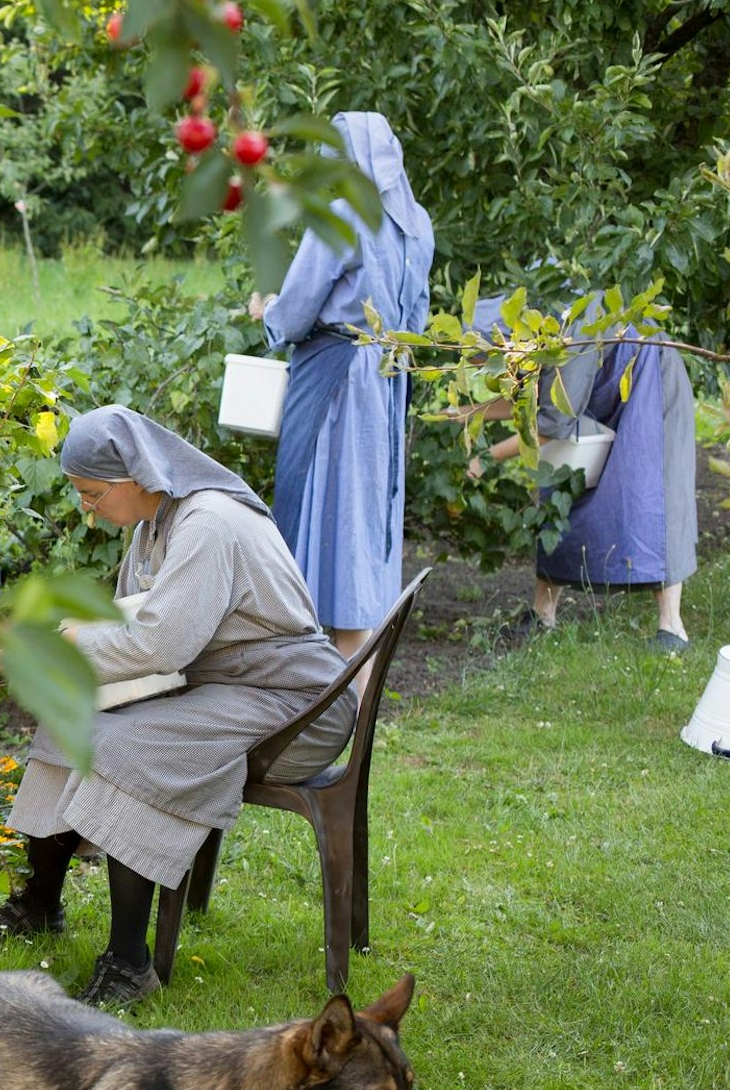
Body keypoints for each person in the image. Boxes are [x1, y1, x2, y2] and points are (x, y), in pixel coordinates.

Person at [0, 406, 357, 1007]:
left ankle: (130, 963)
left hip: (295, 706)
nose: (87, 508)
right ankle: (38, 905)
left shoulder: (208, 522)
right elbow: (130, 624)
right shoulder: (155, 524)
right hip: (227, 686)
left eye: (91, 494)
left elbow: (160, 643)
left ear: (134, 475)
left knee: (129, 748)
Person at [253, 112, 434, 678]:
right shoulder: (417, 224)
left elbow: (302, 306)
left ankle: (338, 691)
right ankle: (351, 679)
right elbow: (420, 318)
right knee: (366, 505)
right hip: (387, 376)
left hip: (339, 378)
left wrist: (268, 312)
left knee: (333, 505)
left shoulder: (343, 216)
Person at [465, 294, 697, 651]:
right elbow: (532, 402)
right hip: (606, 394)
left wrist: (486, 457)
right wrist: (468, 411)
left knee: (652, 494)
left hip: (652, 381)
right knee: (560, 489)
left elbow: (551, 424)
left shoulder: (568, 337)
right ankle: (543, 614)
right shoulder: (537, 339)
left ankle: (672, 628)